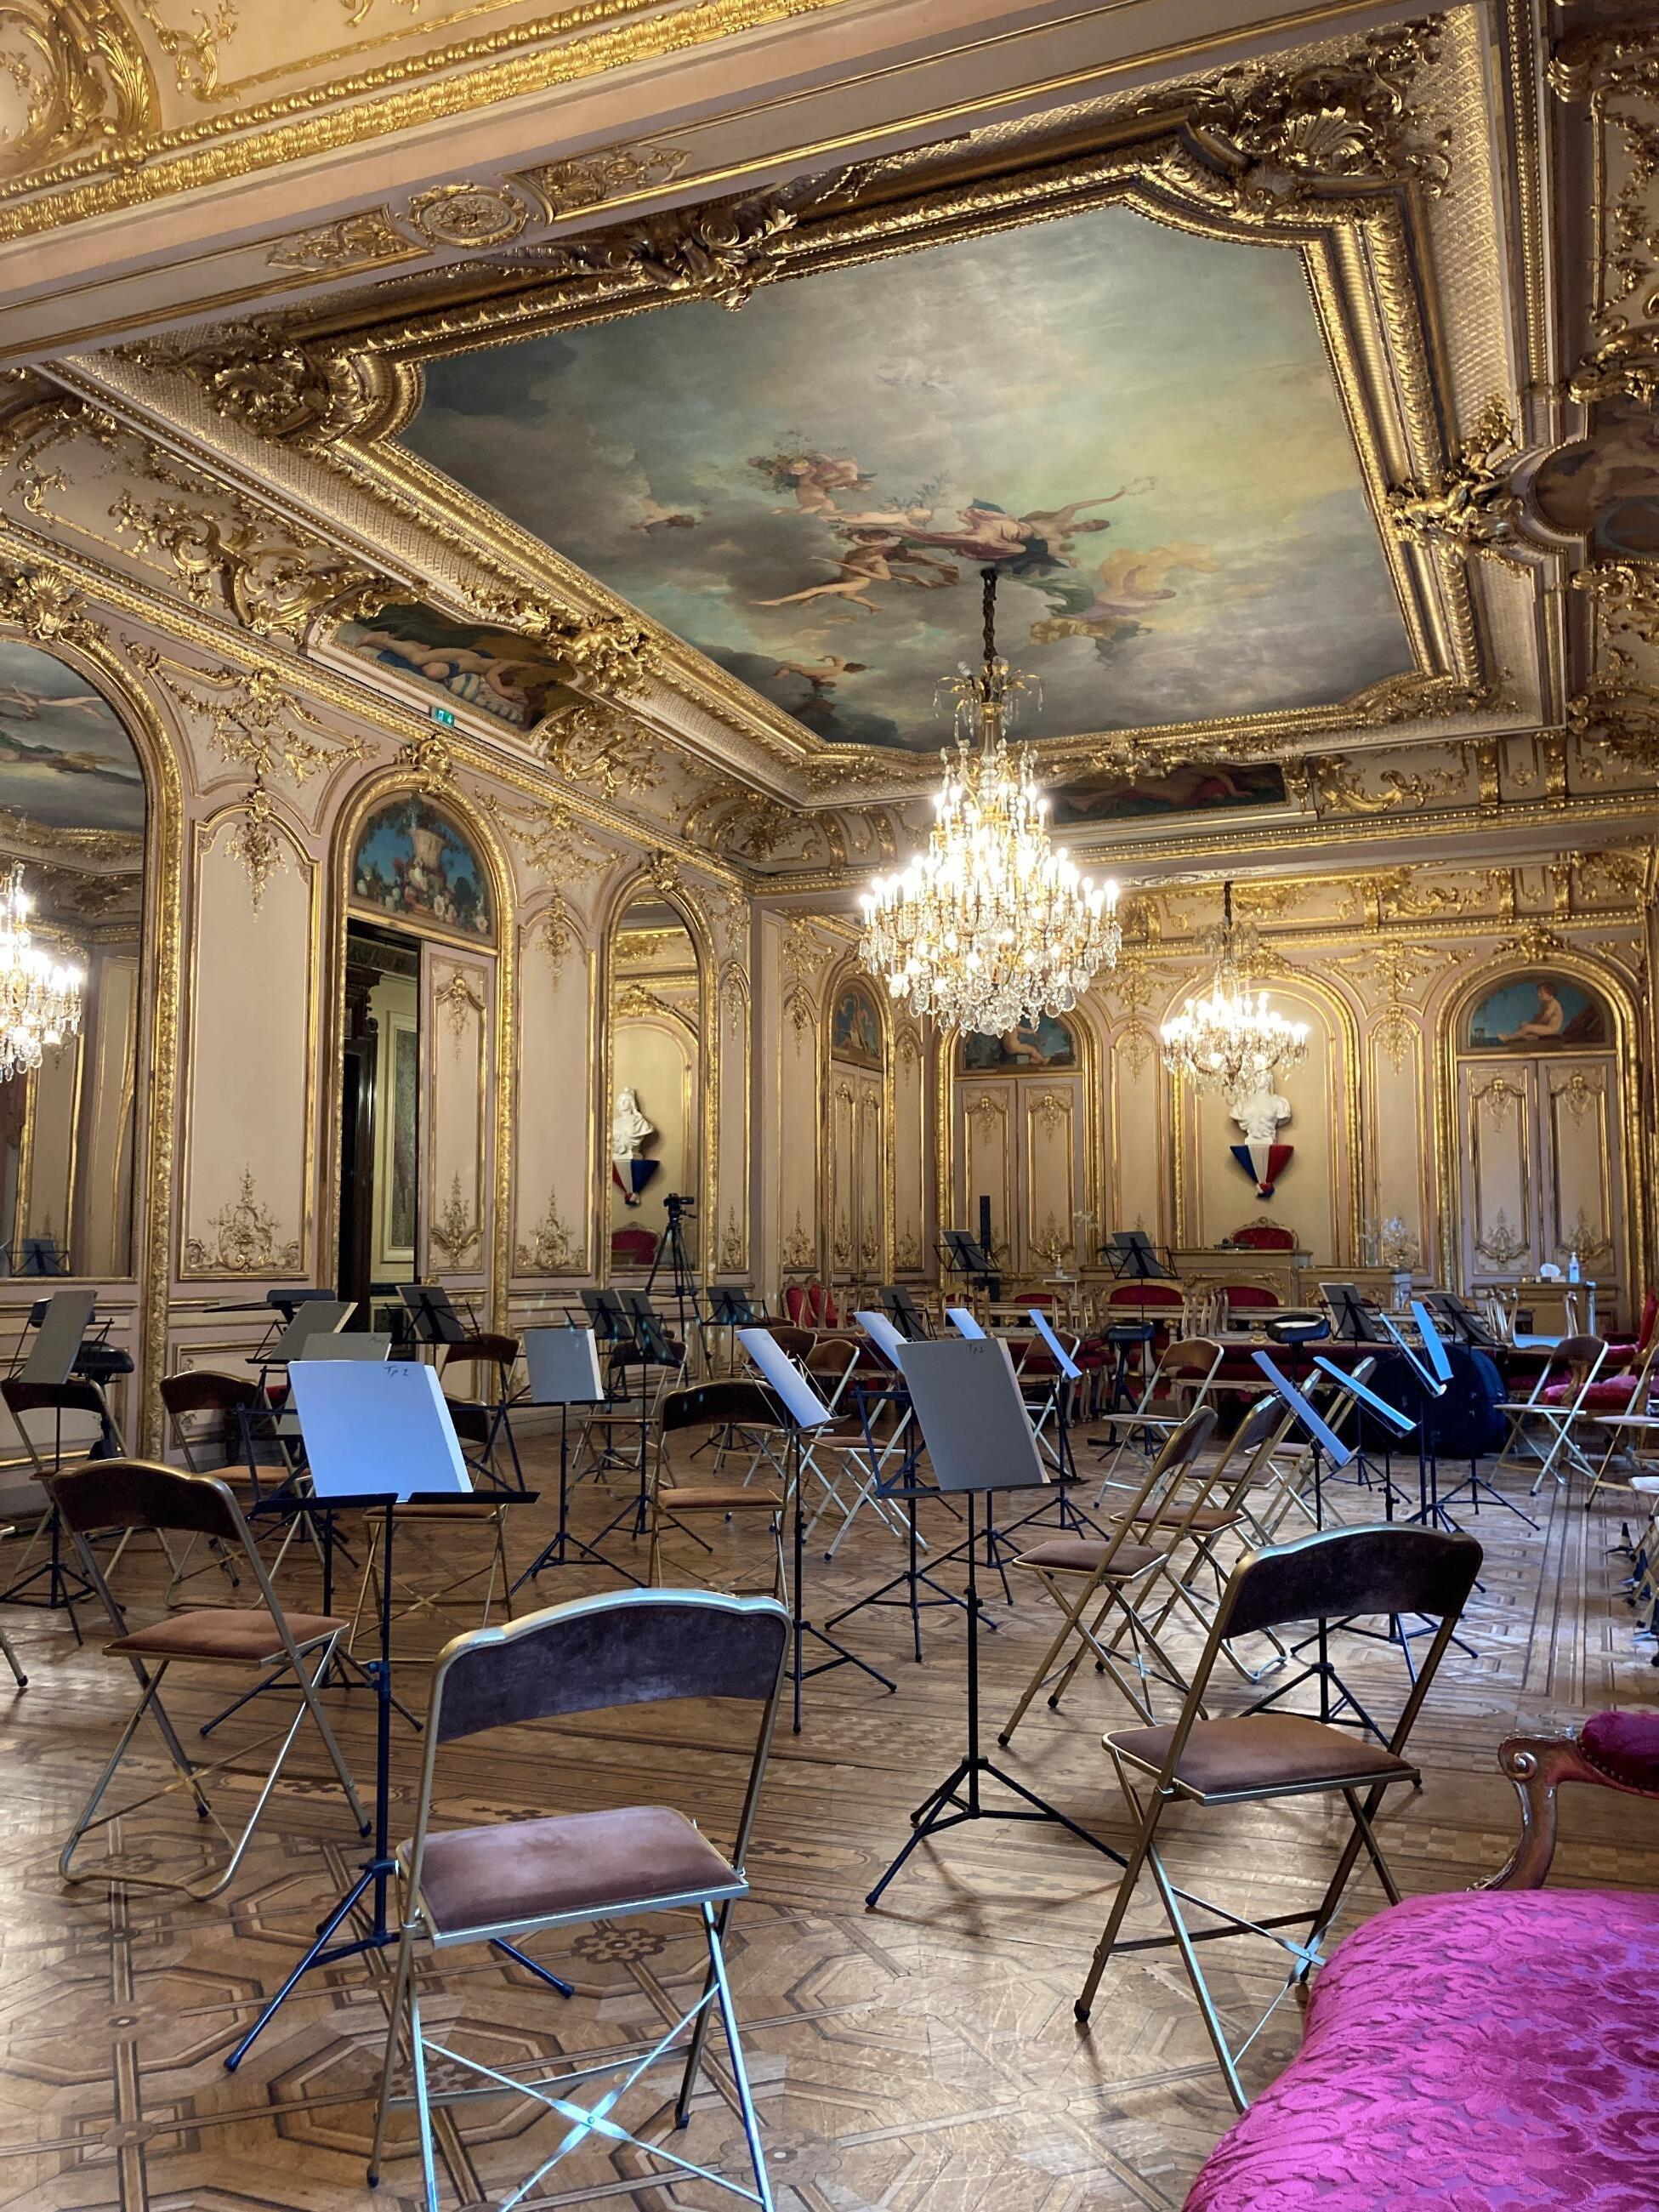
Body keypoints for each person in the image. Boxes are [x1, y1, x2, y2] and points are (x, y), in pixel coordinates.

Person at [1500, 981, 1565, 1043]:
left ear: (1550, 994)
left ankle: (1508, 1038)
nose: (1539, 994)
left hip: (1551, 1029)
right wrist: (1531, 1023)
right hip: (1545, 1027)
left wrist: (1532, 1026)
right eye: (1539, 992)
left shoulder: (1553, 1004)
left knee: (1528, 1028)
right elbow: (1538, 1016)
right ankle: (1530, 1037)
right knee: (1523, 1024)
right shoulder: (1544, 1003)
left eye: (1541, 993)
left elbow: (1545, 1018)